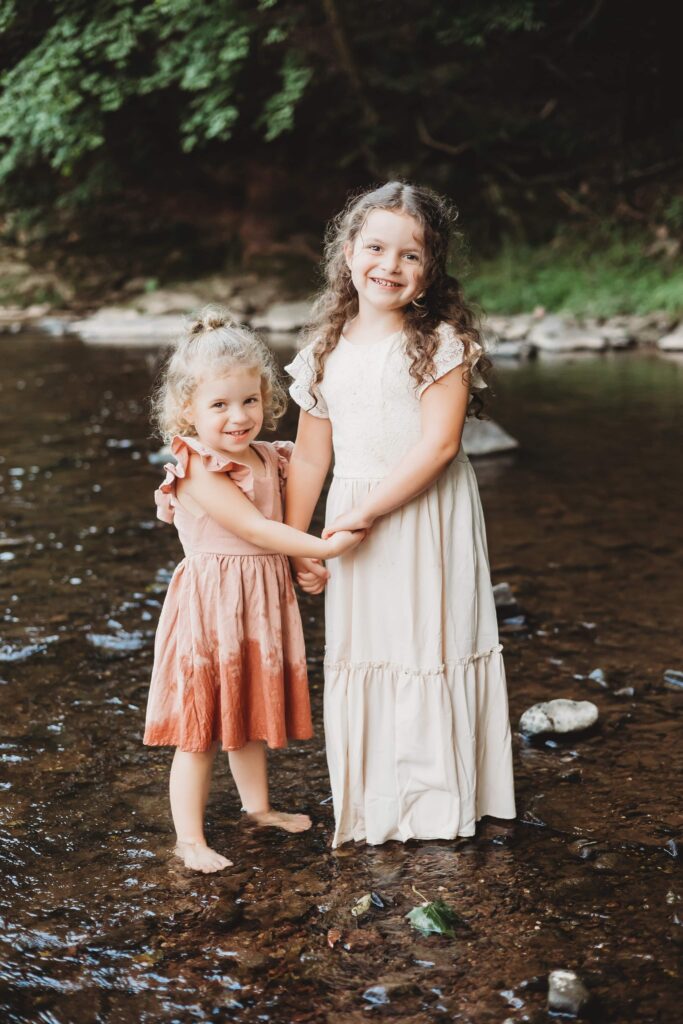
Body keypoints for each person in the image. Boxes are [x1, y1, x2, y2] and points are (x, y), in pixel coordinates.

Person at [284, 181, 516, 847]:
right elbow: (308, 460)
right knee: (370, 648)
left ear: (430, 269)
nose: (389, 266)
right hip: (353, 519)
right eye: (376, 248)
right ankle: (379, 801)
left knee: (427, 644)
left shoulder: (439, 342)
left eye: (409, 255)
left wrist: (361, 514)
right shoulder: (323, 351)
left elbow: (440, 446)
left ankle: (442, 804)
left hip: (421, 513)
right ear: (348, 252)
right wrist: (299, 540)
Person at [144, 308, 363, 872]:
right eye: (218, 405)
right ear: (187, 410)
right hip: (211, 608)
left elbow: (279, 525)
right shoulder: (197, 466)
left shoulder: (270, 457)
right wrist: (325, 548)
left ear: (267, 398)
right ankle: (188, 838)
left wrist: (298, 564)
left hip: (258, 603)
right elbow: (254, 529)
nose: (237, 416)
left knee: (243, 709)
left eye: (249, 401)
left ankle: (256, 808)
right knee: (201, 727)